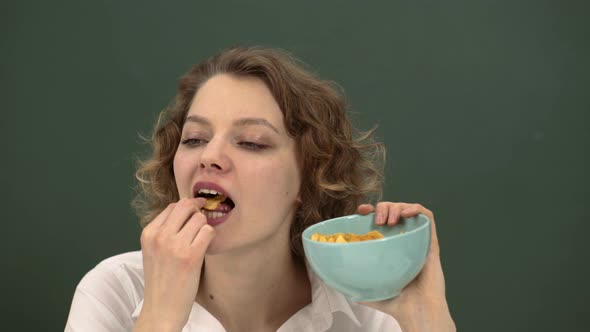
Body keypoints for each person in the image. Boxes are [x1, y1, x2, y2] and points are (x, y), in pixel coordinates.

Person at [65, 46, 455, 332]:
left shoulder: (370, 316)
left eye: (251, 142)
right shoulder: (115, 291)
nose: (210, 157)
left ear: (309, 176)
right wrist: (160, 319)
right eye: (195, 138)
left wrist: (426, 317)